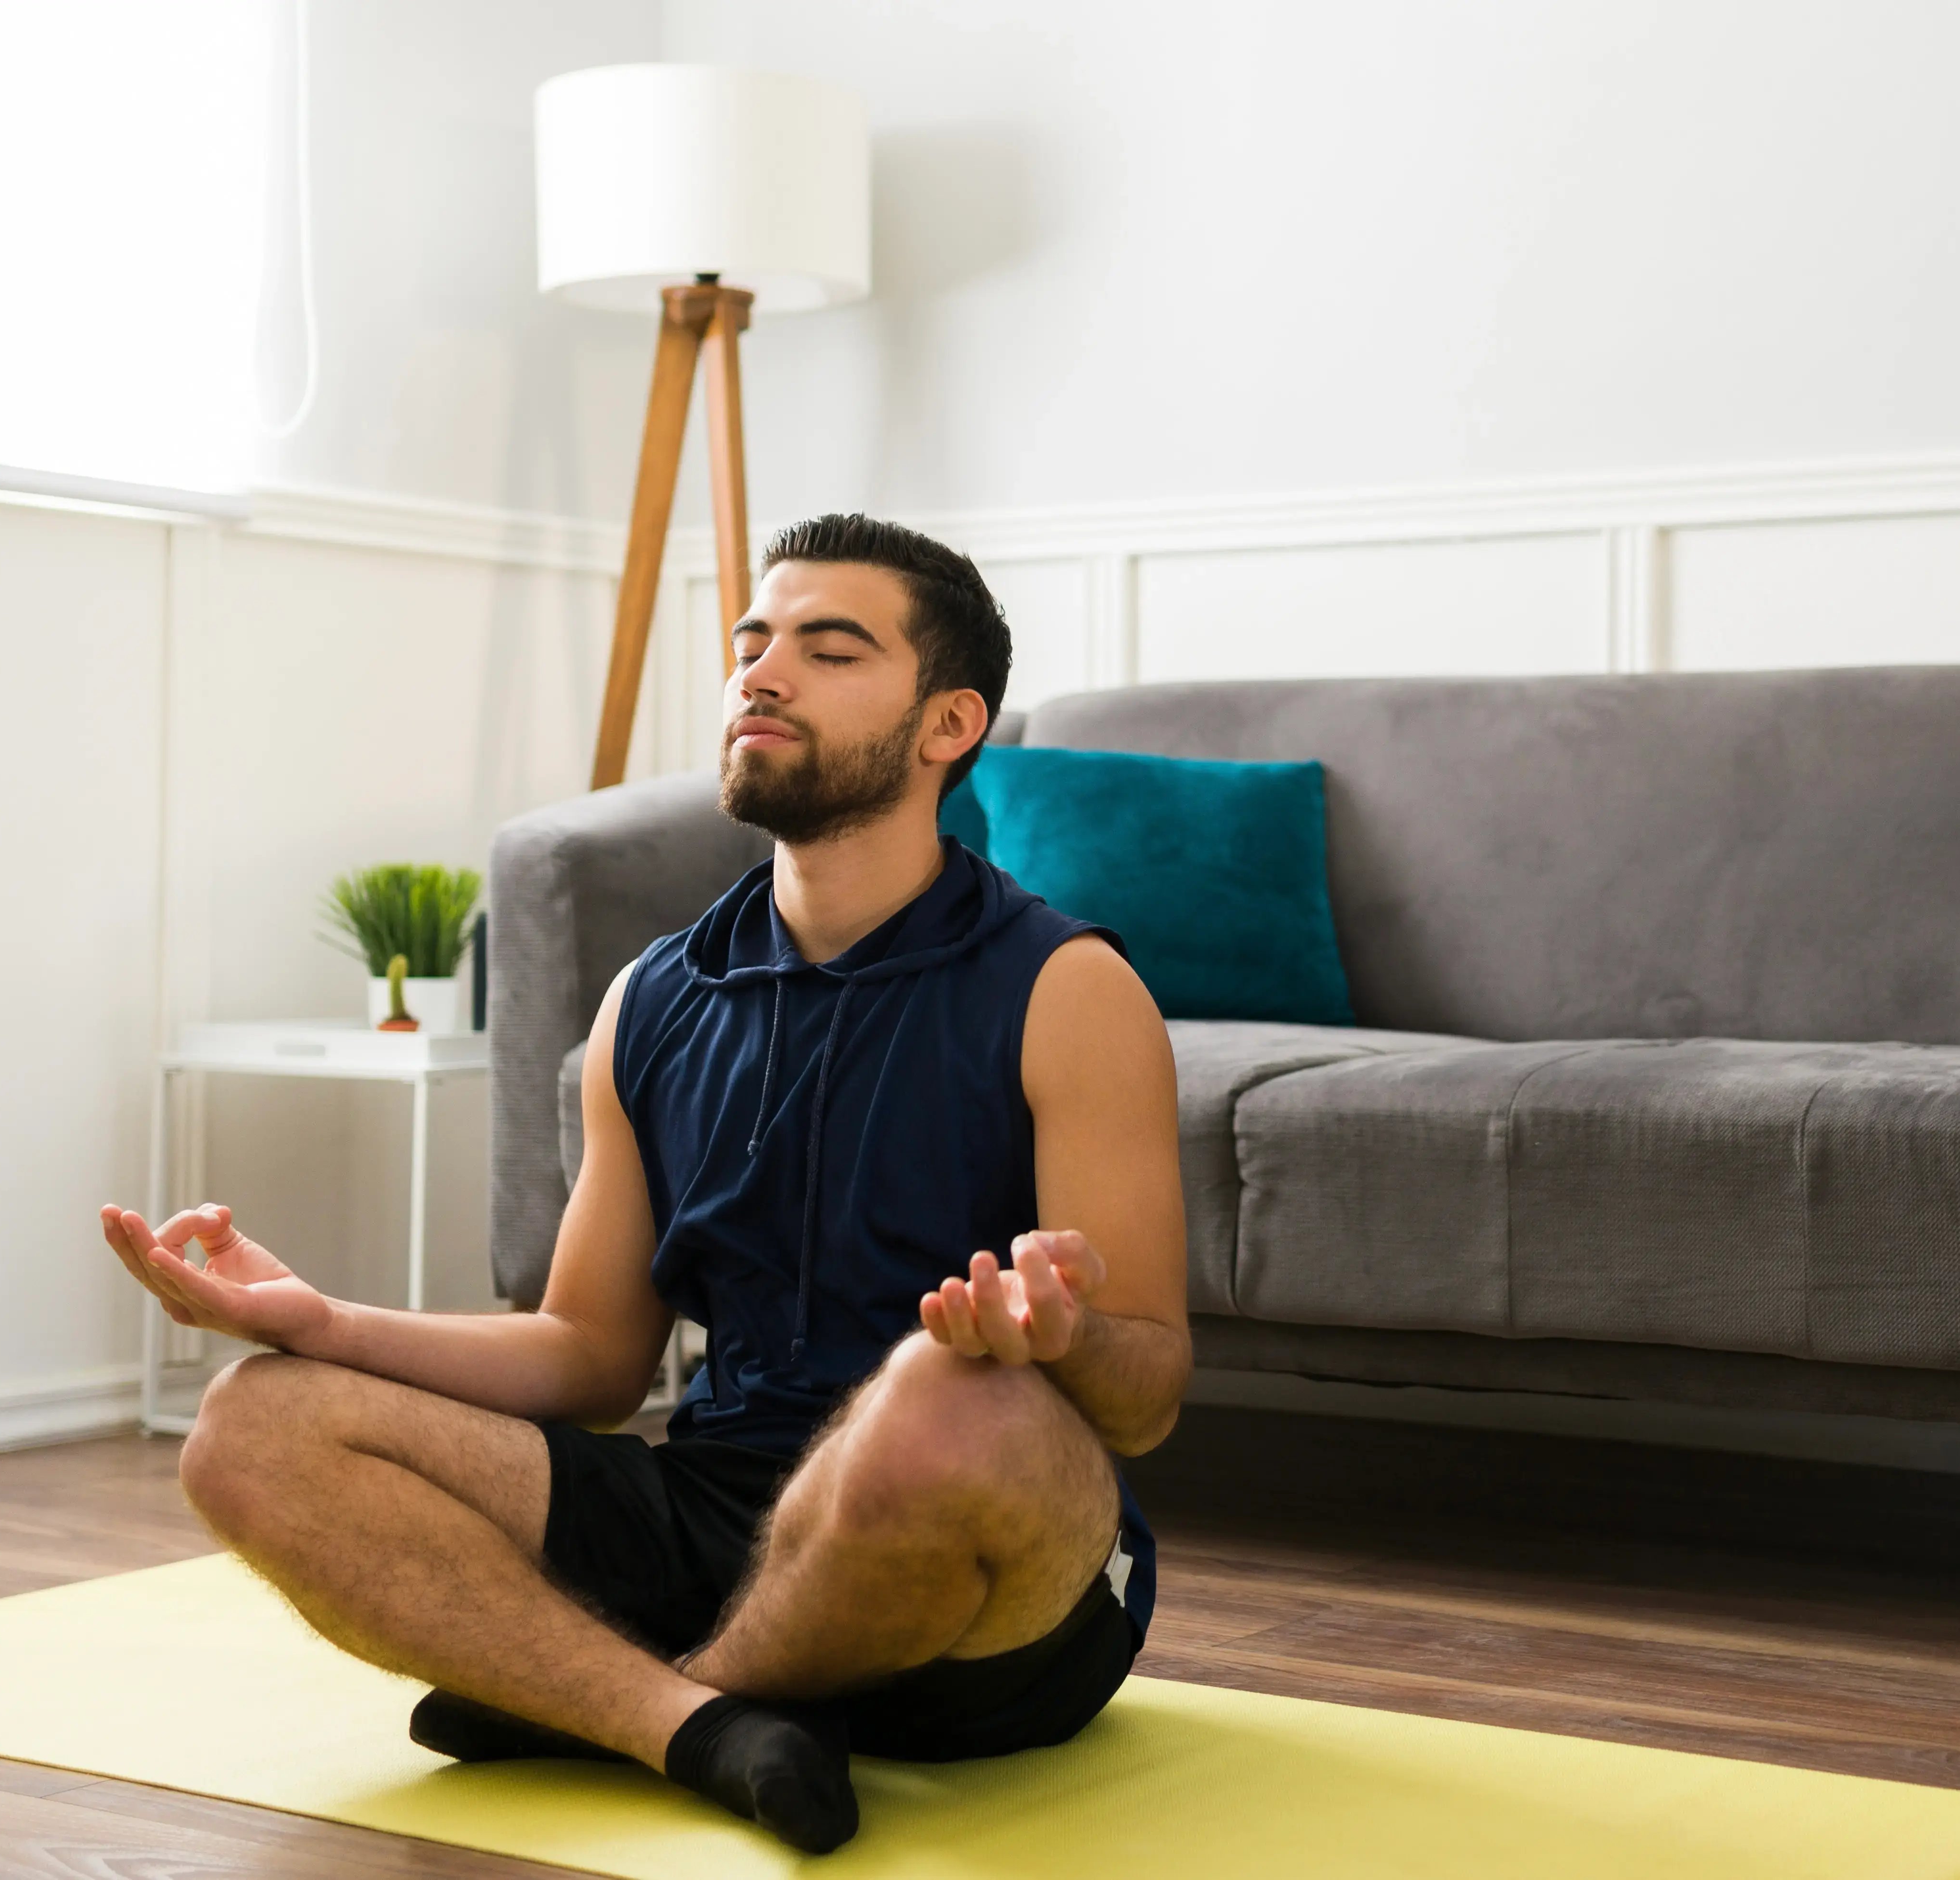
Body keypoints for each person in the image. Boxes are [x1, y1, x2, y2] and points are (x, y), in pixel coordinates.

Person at [97, 515, 1189, 1855]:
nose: (761, 673)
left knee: (938, 1401)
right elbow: (591, 1361)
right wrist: (317, 1326)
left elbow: (1144, 1401)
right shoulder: (651, 998)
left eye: (828, 649)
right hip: (713, 1519)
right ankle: (702, 1733)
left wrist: (1062, 1339)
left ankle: (620, 1703)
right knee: (248, 1426)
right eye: (751, 643)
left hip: (983, 1600)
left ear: (947, 724)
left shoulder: (1069, 989)